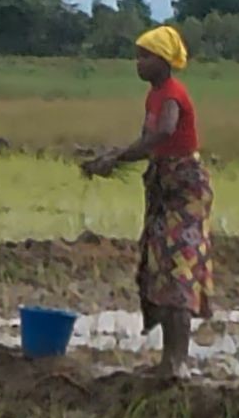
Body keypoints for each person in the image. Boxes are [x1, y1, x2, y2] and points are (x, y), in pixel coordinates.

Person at [81, 25, 213, 381]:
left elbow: (165, 133)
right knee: (161, 269)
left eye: (146, 57)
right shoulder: (153, 96)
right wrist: (114, 156)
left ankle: (177, 362)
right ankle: (169, 361)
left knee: (179, 271)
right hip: (162, 186)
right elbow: (146, 140)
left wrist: (118, 157)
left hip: (183, 190)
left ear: (165, 61)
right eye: (137, 56)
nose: (138, 63)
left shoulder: (171, 94)